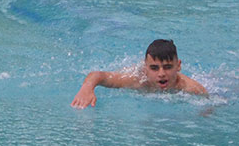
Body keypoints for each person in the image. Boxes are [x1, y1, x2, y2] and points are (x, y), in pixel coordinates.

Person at [71, 39, 208, 108]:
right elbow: (99, 75)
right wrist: (87, 88)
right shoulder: (136, 79)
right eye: (154, 68)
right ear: (145, 68)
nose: (161, 74)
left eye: (167, 67)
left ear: (178, 66)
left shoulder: (191, 88)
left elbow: (208, 103)